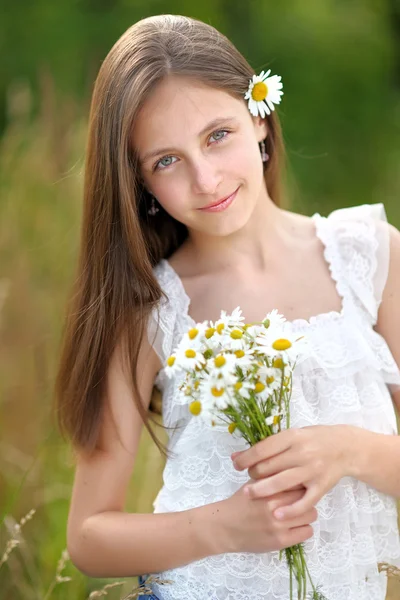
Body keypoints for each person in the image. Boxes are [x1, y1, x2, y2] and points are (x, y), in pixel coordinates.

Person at [54, 14, 400, 600]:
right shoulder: (149, 308)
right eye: (166, 161)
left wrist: (350, 449)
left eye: (218, 135)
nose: (206, 179)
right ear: (140, 185)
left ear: (260, 118)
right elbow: (88, 537)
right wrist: (224, 527)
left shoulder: (370, 255)